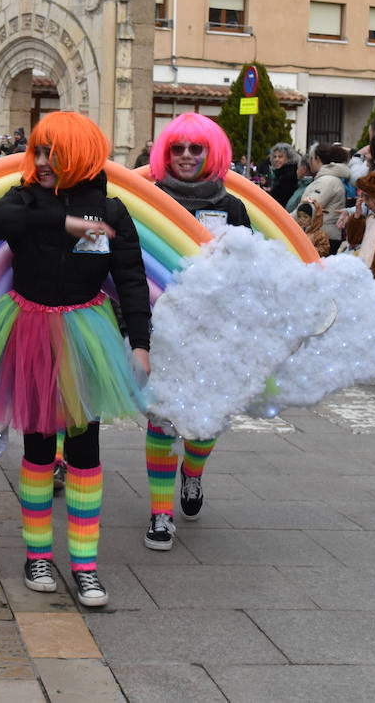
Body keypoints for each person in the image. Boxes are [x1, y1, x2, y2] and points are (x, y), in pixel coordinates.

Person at [0, 112, 151, 607]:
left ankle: (86, 566)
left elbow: (130, 279)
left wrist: (140, 344)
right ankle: (37, 555)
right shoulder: (22, 199)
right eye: (39, 152)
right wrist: (59, 220)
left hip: (87, 333)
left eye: (54, 153)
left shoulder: (110, 210)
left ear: (80, 156)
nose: (43, 162)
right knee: (40, 447)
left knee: (85, 448)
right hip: (29, 330)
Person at [141, 114, 248, 550]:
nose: (185, 156)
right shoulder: (147, 199)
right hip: (160, 324)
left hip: (213, 327)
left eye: (195, 148)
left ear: (211, 153)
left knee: (206, 420)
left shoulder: (232, 206)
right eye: (177, 148)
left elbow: (249, 266)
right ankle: (160, 514)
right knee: (162, 419)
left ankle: (194, 472)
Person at [300, 144, 350, 252]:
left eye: (311, 158)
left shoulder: (327, 181)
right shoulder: (327, 179)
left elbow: (308, 208)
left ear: (317, 158)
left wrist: (287, 221)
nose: (310, 162)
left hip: (323, 238)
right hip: (325, 235)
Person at [266, 143, 299, 207]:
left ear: (288, 158)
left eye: (280, 157)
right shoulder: (281, 173)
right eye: (274, 157)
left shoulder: (289, 175)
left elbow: (276, 197)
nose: (276, 159)